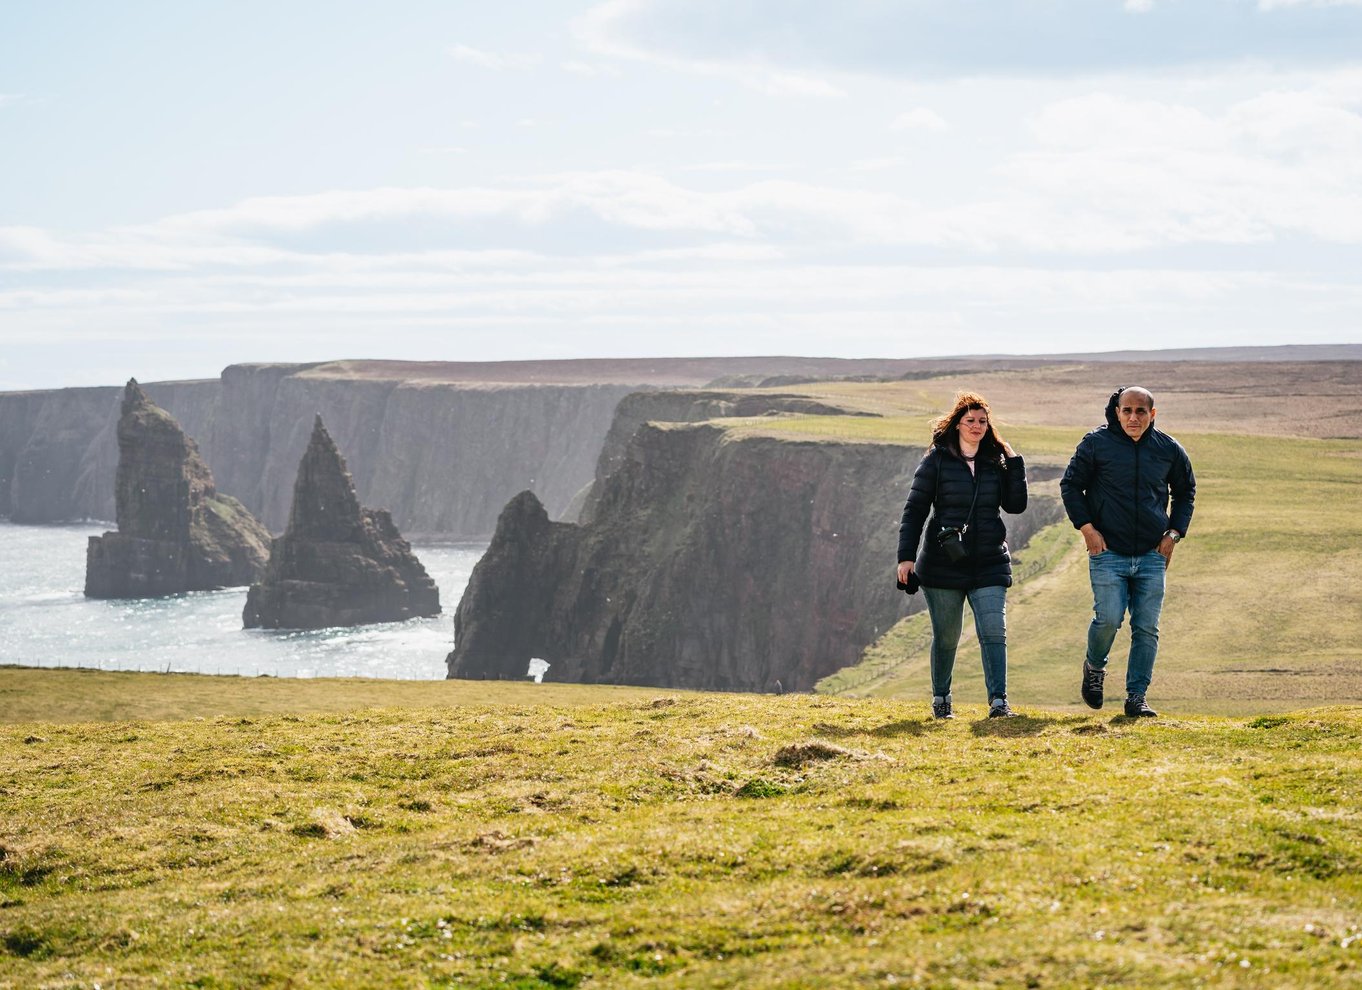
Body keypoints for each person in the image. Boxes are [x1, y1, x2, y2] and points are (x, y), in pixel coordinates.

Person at [1060, 386, 1196, 718]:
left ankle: (1136, 697)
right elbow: (1070, 485)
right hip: (1107, 552)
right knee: (1108, 618)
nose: (1133, 417)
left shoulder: (1169, 449)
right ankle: (1094, 667)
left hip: (1152, 554)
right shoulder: (1096, 443)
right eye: (1127, 411)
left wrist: (1174, 534)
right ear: (1117, 412)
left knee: (1147, 626)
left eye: (1140, 411)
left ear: (1153, 414)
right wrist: (1087, 528)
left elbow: (1185, 491)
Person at [897, 392, 1029, 719]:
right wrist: (906, 557)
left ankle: (999, 703)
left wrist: (1013, 460)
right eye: (970, 420)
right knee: (947, 637)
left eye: (983, 421)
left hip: (989, 561)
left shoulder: (993, 463)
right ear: (957, 424)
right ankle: (941, 698)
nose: (976, 426)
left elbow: (1015, 505)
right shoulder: (936, 461)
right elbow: (915, 510)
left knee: (993, 631)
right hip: (944, 564)